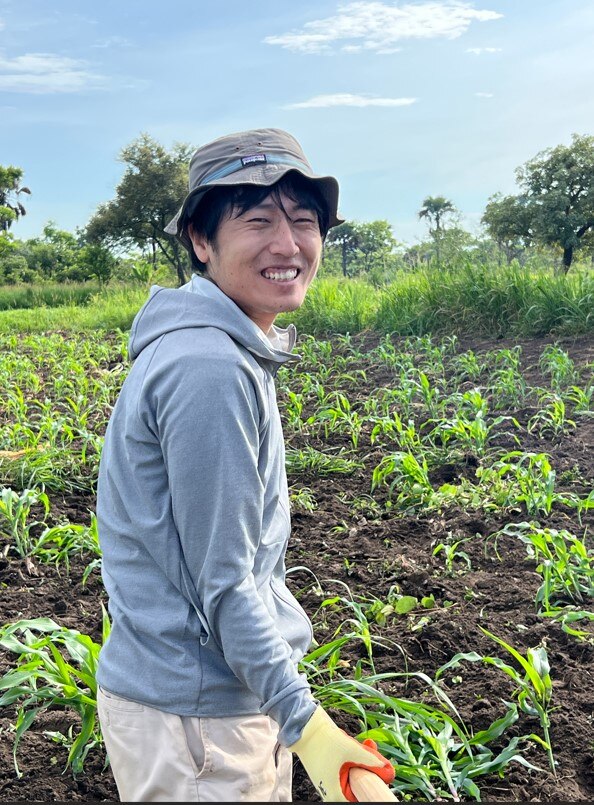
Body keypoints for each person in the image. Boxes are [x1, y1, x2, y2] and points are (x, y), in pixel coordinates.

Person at [95, 127, 394, 802]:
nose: (287, 244)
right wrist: (307, 725)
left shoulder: (220, 348)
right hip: (198, 719)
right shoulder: (210, 368)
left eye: (304, 221)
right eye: (257, 220)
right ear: (201, 240)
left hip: (199, 704)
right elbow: (226, 585)